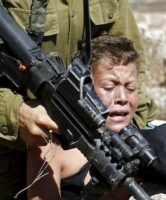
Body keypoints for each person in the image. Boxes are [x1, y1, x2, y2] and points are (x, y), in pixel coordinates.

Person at [0, 0, 157, 199]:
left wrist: (127, 137)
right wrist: (14, 113)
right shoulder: (49, 153)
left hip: (81, 140)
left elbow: (128, 63)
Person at [26, 34, 140, 200]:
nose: (122, 97)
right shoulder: (50, 149)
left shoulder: (139, 147)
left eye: (131, 88)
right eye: (109, 87)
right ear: (84, 90)